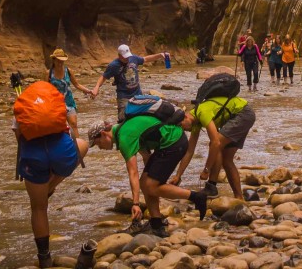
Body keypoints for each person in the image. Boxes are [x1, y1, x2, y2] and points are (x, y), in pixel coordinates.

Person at [88, 117, 207, 238]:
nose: (100, 147)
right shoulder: (124, 129)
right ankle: (156, 225)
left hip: (173, 142)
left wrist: (135, 203)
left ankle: (197, 197)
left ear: (103, 134)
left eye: (98, 143)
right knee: (146, 183)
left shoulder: (124, 138)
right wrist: (151, 177)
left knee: (150, 185)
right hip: (171, 141)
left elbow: (133, 172)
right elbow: (146, 157)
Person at [14, 92, 89, 268]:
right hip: (61, 150)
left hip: (34, 153)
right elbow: (70, 125)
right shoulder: (55, 101)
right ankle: (50, 186)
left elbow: (18, 136)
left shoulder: (23, 105)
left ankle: (44, 258)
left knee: (39, 208)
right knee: (82, 145)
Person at [171, 88, 256, 199]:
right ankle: (239, 197)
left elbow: (216, 142)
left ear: (186, 116)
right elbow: (189, 151)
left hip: (242, 113)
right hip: (239, 116)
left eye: (181, 126)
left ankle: (212, 187)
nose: (184, 130)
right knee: (226, 160)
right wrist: (178, 175)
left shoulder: (202, 112)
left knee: (216, 145)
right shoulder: (195, 123)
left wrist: (206, 169)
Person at [91, 44, 170, 121]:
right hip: (124, 96)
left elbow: (145, 59)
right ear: (119, 55)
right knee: (123, 118)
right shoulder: (114, 65)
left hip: (137, 94)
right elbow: (103, 77)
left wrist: (160, 55)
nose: (127, 58)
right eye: (125, 57)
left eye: (128, 56)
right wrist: (96, 87)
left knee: (141, 117)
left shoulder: (133, 58)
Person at [48, 48, 93, 136]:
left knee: (74, 124)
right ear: (54, 60)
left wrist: (88, 91)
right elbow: (44, 89)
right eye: (58, 61)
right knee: (60, 127)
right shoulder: (49, 73)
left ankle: (77, 146)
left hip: (69, 102)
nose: (60, 63)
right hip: (55, 104)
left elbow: (77, 84)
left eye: (62, 61)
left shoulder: (68, 71)